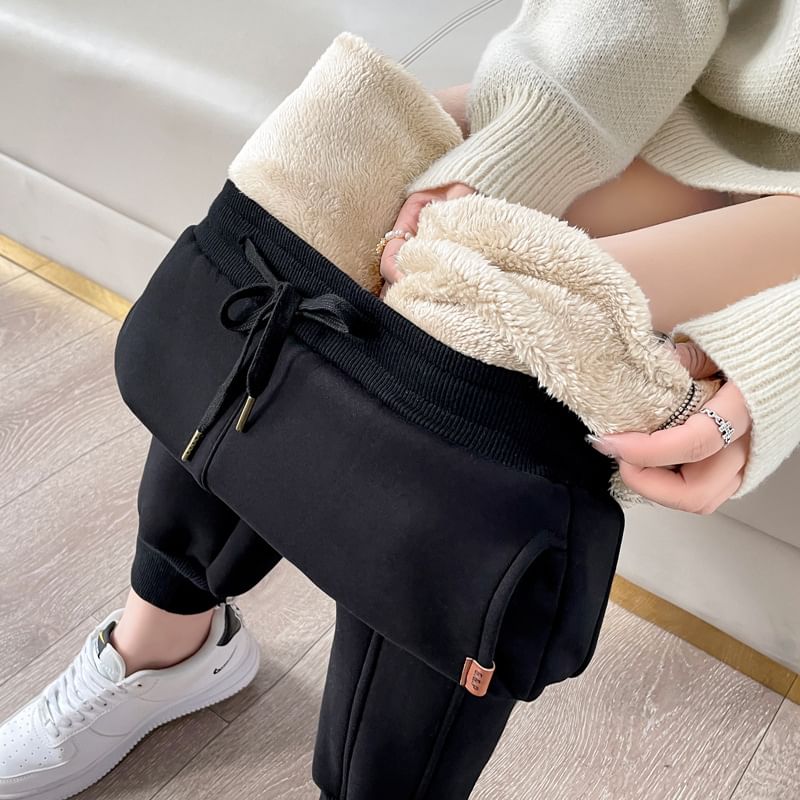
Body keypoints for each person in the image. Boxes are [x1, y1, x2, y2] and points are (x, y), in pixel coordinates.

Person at [1, 2, 798, 799]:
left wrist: (780, 351)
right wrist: (519, 144)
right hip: (674, 94)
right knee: (331, 188)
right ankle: (164, 645)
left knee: (495, 328)